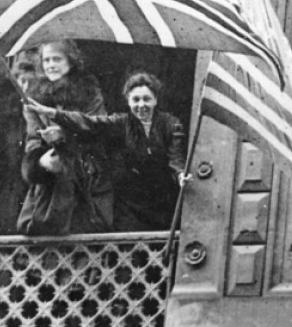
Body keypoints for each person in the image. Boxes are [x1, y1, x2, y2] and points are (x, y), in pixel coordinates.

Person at [27, 71, 189, 232]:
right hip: (132, 204)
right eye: (136, 100)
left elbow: (176, 156)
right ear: (128, 101)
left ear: (155, 100)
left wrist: (180, 174)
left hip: (163, 198)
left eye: (147, 99)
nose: (141, 105)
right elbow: (89, 122)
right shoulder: (122, 122)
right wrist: (53, 113)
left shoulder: (171, 124)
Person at [18, 40, 114, 235]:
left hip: (85, 176)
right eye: (46, 60)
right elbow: (33, 140)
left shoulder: (90, 93)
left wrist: (65, 135)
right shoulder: (34, 98)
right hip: (51, 182)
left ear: (70, 62)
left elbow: (98, 129)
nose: (51, 65)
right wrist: (40, 162)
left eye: (57, 59)